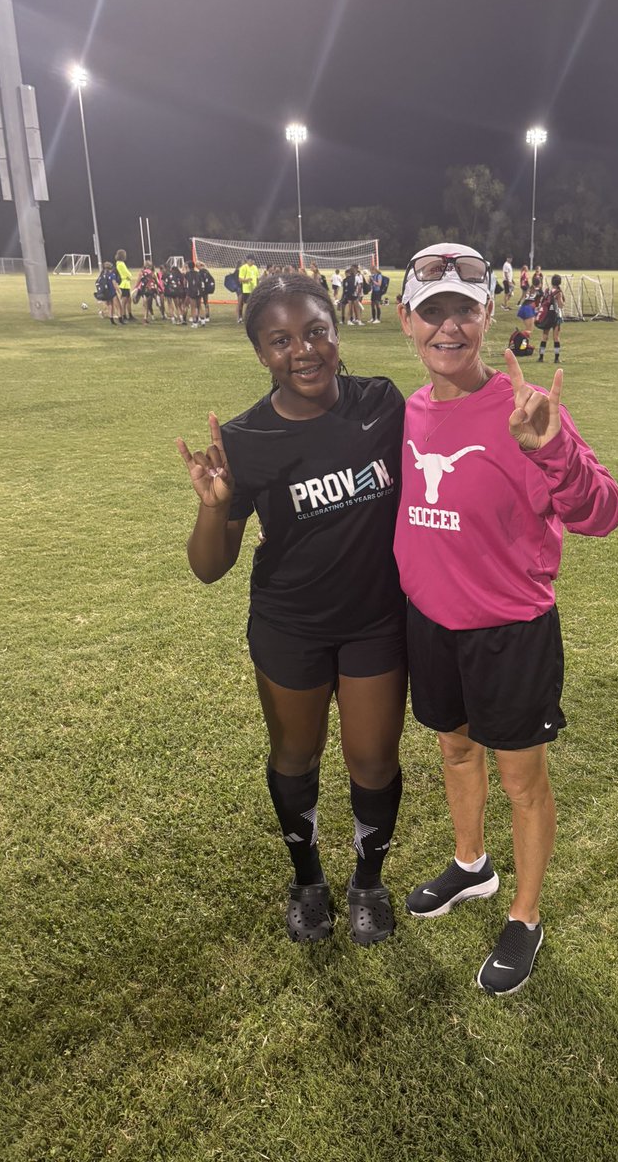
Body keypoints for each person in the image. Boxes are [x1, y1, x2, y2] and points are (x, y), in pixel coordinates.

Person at [393, 244, 618, 995]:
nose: (449, 326)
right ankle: (472, 868)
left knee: (523, 780)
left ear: (491, 316)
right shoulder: (410, 412)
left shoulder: (525, 408)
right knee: (455, 752)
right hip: (430, 624)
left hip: (510, 630)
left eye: (465, 309)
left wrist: (554, 449)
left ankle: (524, 916)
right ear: (406, 322)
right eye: (433, 312)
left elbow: (604, 515)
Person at [175, 274, 407, 946]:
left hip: (374, 622)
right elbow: (208, 568)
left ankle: (368, 881)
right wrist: (214, 506)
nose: (302, 350)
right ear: (261, 354)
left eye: (315, 332)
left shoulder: (380, 404)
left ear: (337, 333)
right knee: (296, 755)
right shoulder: (245, 440)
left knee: (373, 762)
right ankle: (307, 879)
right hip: (289, 626)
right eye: (281, 340)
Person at [537, 275, 565, 365]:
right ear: (559, 283)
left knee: (544, 336)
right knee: (556, 337)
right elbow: (560, 305)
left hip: (547, 316)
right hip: (556, 316)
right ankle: (556, 358)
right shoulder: (558, 292)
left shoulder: (547, 291)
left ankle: (541, 357)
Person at [114, 249, 135, 322]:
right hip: (124, 284)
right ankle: (123, 316)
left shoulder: (119, 263)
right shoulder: (121, 264)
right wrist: (129, 276)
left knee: (128, 300)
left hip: (126, 284)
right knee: (124, 301)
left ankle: (129, 314)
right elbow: (127, 273)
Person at [237, 255, 259, 322]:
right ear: (248, 260)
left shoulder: (255, 268)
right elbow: (240, 279)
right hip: (246, 289)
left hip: (253, 289)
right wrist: (247, 280)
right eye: (252, 260)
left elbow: (257, 278)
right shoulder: (243, 268)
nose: (253, 262)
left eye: (254, 260)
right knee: (244, 304)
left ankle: (251, 317)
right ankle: (241, 317)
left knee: (253, 304)